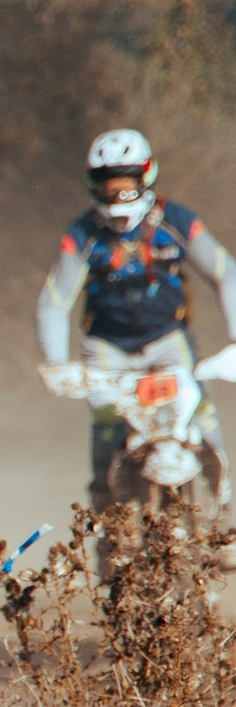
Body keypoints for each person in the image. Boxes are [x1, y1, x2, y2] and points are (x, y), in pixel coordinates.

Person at [36, 126, 236, 497]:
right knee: (108, 426)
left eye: (124, 185)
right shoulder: (83, 234)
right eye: (108, 185)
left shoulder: (175, 220)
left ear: (145, 177)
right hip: (106, 348)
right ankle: (104, 521)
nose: (117, 195)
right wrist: (56, 361)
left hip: (167, 340)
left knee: (200, 412)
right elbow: (54, 301)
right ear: (93, 185)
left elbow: (226, 273)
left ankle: (224, 516)